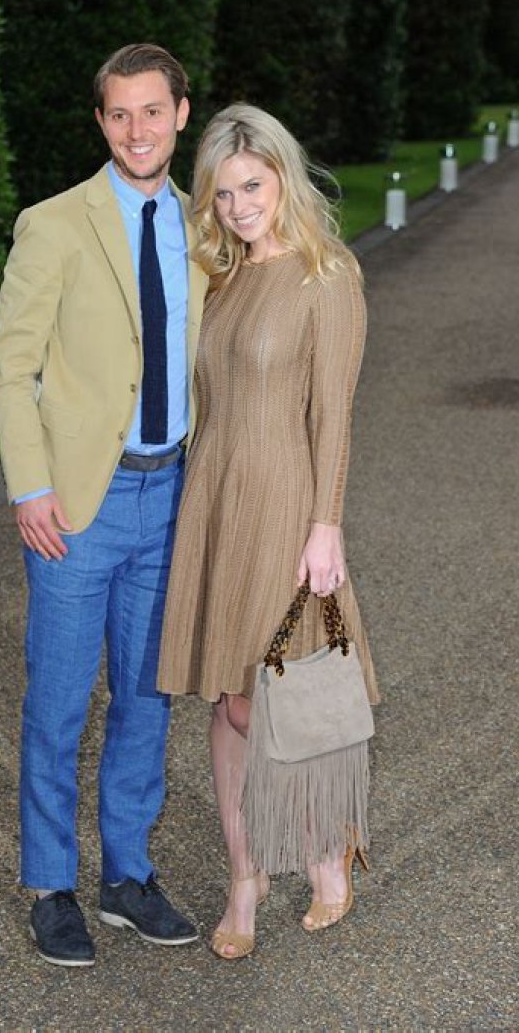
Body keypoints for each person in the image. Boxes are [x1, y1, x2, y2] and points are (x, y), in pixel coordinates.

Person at [0, 44, 207, 967]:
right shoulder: (53, 224)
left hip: (174, 494)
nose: (136, 130)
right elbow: (11, 367)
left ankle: (127, 876)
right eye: (119, 114)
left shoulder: (206, 226)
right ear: (101, 122)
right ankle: (51, 885)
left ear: (182, 114)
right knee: (59, 702)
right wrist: (31, 486)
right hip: (80, 503)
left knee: (147, 699)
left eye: (152, 111)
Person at [157, 105, 380, 960]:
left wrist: (326, 524)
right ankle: (243, 877)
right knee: (226, 695)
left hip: (286, 500)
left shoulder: (328, 275)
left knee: (272, 695)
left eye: (252, 186)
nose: (239, 206)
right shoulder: (220, 276)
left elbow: (335, 416)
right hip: (215, 499)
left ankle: (325, 852)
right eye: (222, 194)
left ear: (283, 177)